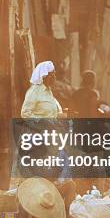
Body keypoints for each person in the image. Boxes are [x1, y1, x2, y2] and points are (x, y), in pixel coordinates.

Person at [19, 61, 75, 206]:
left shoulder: (49, 92)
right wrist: (42, 122)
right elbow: (25, 113)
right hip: (36, 137)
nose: (54, 77)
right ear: (44, 76)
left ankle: (56, 192)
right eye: (52, 74)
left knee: (61, 161)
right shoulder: (34, 91)